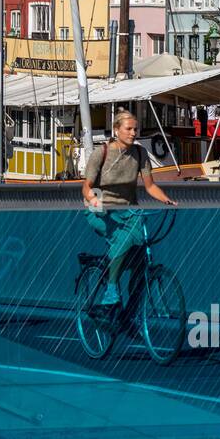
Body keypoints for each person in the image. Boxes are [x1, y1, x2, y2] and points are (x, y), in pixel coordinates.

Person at [81, 111, 177, 308]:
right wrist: (94, 200)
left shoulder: (140, 153)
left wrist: (167, 200)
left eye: (136, 129)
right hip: (100, 209)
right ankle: (111, 287)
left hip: (129, 211)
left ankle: (132, 311)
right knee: (123, 239)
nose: (133, 133)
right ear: (116, 130)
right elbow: (86, 187)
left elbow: (150, 186)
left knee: (141, 256)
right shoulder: (102, 153)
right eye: (129, 129)